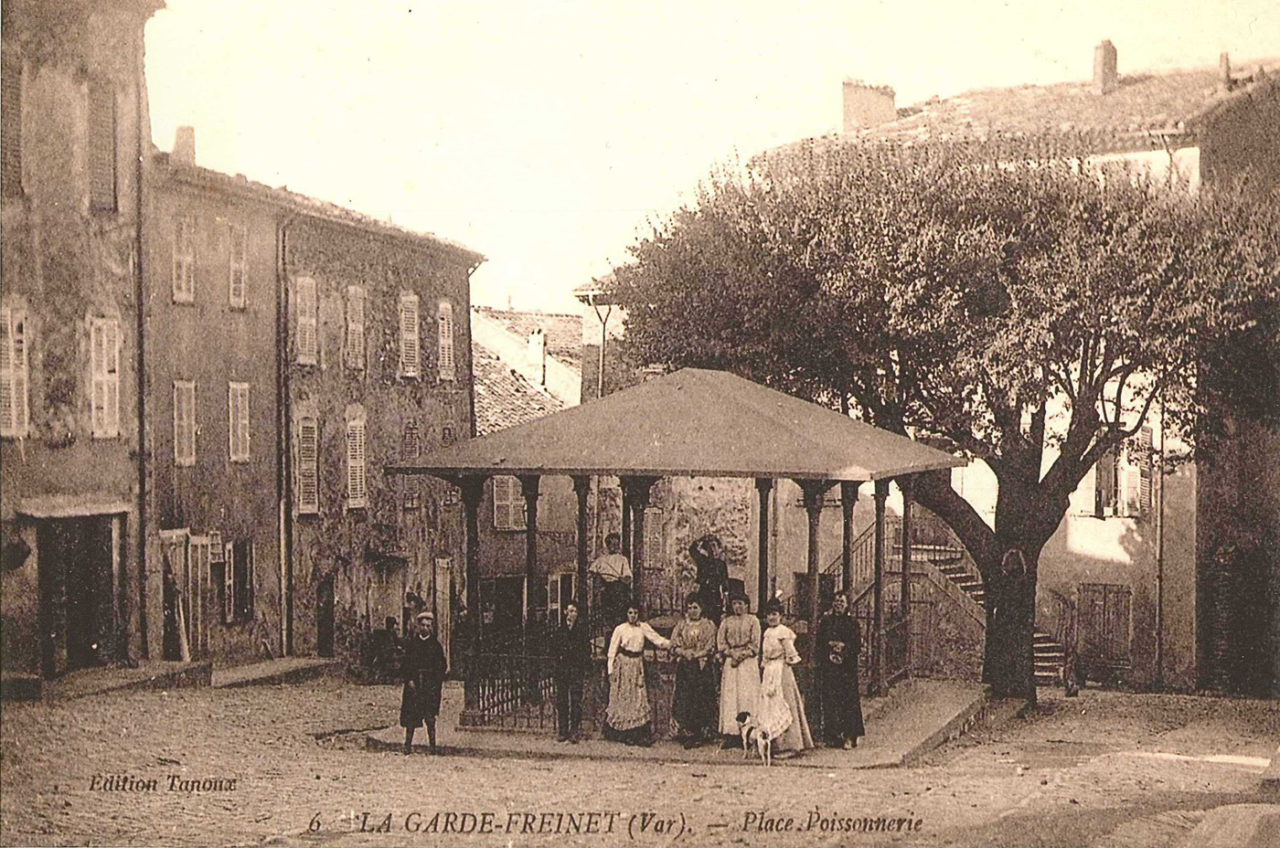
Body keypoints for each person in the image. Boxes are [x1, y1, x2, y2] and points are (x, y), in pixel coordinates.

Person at [604, 602, 670, 746]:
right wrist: (610, 670)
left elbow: (657, 640)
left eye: (635, 613)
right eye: (630, 613)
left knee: (638, 698)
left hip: (637, 665)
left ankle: (638, 733)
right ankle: (624, 733)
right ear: (626, 614)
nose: (633, 616)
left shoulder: (643, 627)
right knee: (624, 698)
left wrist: (673, 644)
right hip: (623, 665)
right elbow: (612, 651)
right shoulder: (620, 629)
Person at [757, 599, 813, 758]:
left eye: (774, 614)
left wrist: (783, 662)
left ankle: (789, 745)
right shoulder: (767, 632)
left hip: (781, 671)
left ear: (780, 615)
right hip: (769, 671)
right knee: (769, 706)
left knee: (784, 703)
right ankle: (773, 744)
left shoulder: (783, 632)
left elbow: (791, 654)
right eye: (769, 615)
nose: (772, 618)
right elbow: (765, 655)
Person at [814, 592, 865, 748]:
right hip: (830, 666)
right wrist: (829, 648)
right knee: (831, 701)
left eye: (842, 602)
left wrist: (844, 648)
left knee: (848, 701)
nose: (838, 605)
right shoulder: (826, 622)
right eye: (836, 601)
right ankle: (833, 736)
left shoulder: (852, 623)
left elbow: (857, 645)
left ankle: (850, 736)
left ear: (847, 604)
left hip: (847, 668)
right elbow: (819, 642)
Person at [669, 594, 718, 748]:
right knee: (685, 698)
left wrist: (698, 654)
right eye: (689, 608)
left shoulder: (708, 625)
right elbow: (673, 644)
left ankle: (701, 732)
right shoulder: (682, 625)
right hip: (685, 666)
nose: (692, 611)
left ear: (701, 608)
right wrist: (683, 652)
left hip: (701, 667)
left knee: (701, 698)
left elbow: (711, 646)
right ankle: (686, 731)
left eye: (695, 607)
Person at [716, 589, 762, 748]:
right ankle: (731, 734)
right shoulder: (726, 621)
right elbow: (721, 643)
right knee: (731, 697)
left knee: (746, 696)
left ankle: (749, 733)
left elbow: (756, 645)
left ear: (747, 605)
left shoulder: (753, 621)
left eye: (741, 604)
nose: (738, 607)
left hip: (747, 663)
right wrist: (730, 653)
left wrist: (741, 655)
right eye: (735, 604)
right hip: (731, 663)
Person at [400, 610, 448, 754]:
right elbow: (406, 664)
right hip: (414, 684)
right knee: (411, 716)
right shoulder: (413, 644)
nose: (425, 628)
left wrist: (435, 682)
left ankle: (432, 747)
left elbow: (442, 666)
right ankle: (407, 745)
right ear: (418, 626)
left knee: (430, 716)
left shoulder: (435, 646)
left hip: (430, 685)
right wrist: (409, 680)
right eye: (423, 625)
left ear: (431, 628)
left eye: (428, 626)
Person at [551, 600, 591, 743]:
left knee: (576, 700)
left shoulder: (581, 631)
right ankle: (563, 730)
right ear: (565, 613)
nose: (573, 614)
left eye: (575, 611)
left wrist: (583, 665)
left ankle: (574, 730)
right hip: (562, 669)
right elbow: (554, 650)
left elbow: (587, 650)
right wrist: (557, 665)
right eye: (571, 611)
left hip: (575, 669)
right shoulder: (559, 630)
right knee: (562, 700)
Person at [589, 533, 632, 625]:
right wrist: (599, 578)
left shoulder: (623, 559)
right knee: (607, 616)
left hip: (617, 589)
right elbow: (592, 571)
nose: (616, 547)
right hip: (605, 589)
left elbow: (628, 576)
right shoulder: (601, 560)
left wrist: (623, 579)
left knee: (619, 614)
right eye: (613, 544)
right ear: (608, 545)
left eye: (617, 544)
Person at [689, 535, 728, 624]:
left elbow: (724, 581)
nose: (713, 550)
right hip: (703, 594)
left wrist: (725, 595)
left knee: (715, 618)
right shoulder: (702, 562)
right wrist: (700, 543)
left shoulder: (721, 564)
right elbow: (692, 550)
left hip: (716, 595)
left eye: (715, 546)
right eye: (710, 547)